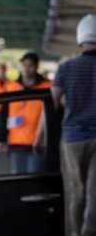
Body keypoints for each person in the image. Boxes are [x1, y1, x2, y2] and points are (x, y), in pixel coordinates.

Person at [52, 13, 96, 236]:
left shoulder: (66, 68)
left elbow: (54, 100)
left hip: (72, 138)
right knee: (94, 192)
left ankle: (74, 233)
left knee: (76, 191)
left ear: (80, 38)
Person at [0, 52, 51, 174]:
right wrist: (1, 138)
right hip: (16, 144)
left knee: (34, 181)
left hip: (37, 144)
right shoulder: (11, 87)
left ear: (37, 67)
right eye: (24, 64)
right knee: (17, 181)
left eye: (30, 65)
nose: (26, 68)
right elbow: (3, 115)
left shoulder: (47, 87)